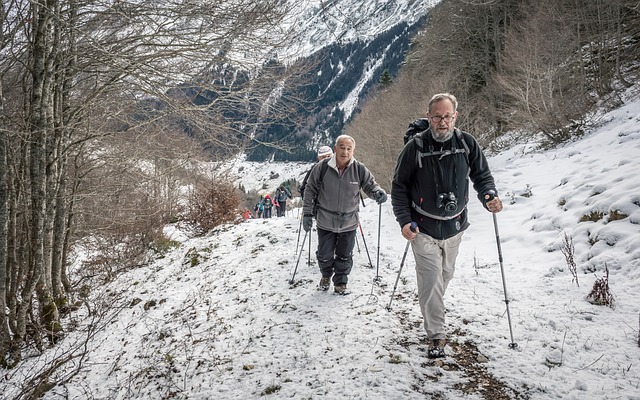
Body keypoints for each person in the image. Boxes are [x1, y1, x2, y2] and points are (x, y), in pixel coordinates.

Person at [391, 93, 503, 359]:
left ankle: (433, 310)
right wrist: (405, 220)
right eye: (437, 116)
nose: (442, 122)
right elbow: (399, 187)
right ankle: (437, 336)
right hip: (423, 229)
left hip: (455, 227)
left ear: (455, 117)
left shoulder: (467, 143)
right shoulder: (415, 147)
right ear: (429, 117)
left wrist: (489, 196)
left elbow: (481, 175)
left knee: (444, 276)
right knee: (431, 282)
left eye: (447, 116)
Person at [302, 135, 387, 294]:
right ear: (335, 148)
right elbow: (309, 189)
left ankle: (340, 282)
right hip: (325, 221)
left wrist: (377, 193)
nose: (345, 151)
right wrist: (307, 214)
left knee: (344, 255)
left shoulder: (359, 169)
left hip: (349, 222)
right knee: (324, 255)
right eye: (342, 147)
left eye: (349, 148)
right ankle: (326, 275)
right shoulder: (322, 167)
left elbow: (370, 186)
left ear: (353, 151)